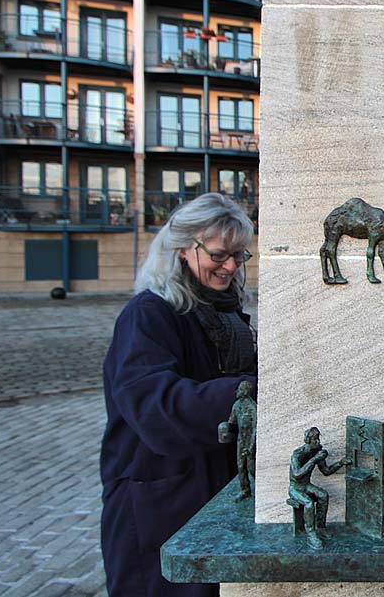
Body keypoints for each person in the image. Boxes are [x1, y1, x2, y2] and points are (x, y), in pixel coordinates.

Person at [100, 193, 257, 597]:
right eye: (221, 255)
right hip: (161, 501)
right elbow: (155, 404)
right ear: (184, 249)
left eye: (240, 256)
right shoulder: (147, 314)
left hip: (210, 491)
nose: (232, 267)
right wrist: (247, 391)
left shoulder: (222, 312)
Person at [288, 427, 348, 549]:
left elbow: (326, 471)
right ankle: (311, 534)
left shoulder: (317, 451)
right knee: (308, 503)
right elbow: (297, 474)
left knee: (323, 495)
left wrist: (340, 463)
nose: (318, 442)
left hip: (306, 485)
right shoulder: (297, 454)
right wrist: (315, 459)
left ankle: (321, 527)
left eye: (318, 438)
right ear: (307, 440)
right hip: (295, 488)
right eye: (315, 439)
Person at [223, 380, 257, 500]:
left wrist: (251, 447)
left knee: (252, 468)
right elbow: (231, 422)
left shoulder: (252, 407)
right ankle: (245, 490)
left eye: (241, 389)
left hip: (250, 441)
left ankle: (261, 488)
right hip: (241, 440)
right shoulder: (236, 405)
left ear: (246, 392)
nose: (238, 391)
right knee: (240, 466)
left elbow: (255, 429)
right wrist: (225, 428)